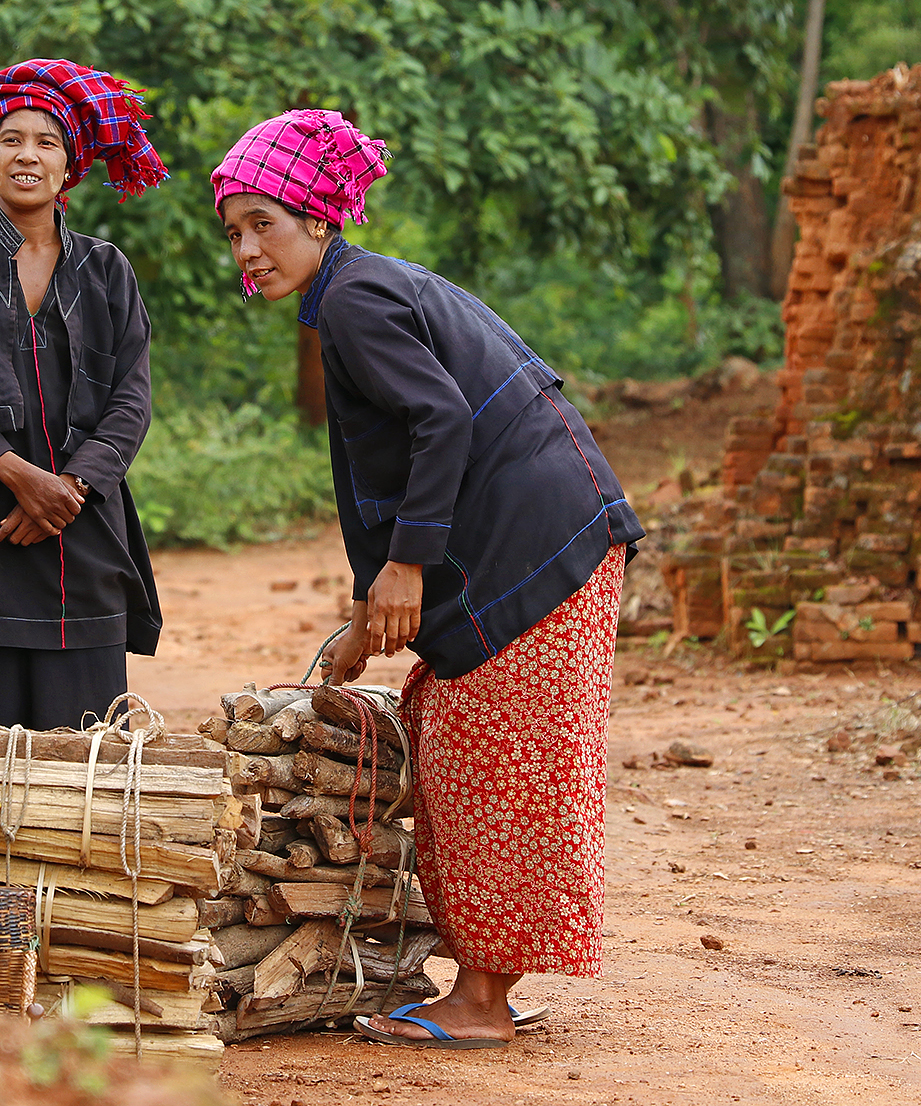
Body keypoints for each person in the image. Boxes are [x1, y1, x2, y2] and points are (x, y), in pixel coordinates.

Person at [211, 109, 645, 1049]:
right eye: (234, 231)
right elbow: (406, 451)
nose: (247, 248)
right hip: (550, 535)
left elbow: (440, 422)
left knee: (496, 764)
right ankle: (485, 983)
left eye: (264, 223)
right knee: (464, 743)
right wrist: (367, 616)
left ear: (319, 218)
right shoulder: (357, 291)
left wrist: (405, 564)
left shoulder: (356, 300)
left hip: (539, 543)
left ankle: (482, 1003)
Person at [0, 58, 167, 730]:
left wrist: (68, 491)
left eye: (45, 141)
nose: (27, 154)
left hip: (84, 539)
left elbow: (131, 399)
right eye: (10, 139)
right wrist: (21, 478)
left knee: (87, 766)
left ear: (68, 166)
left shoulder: (108, 269)